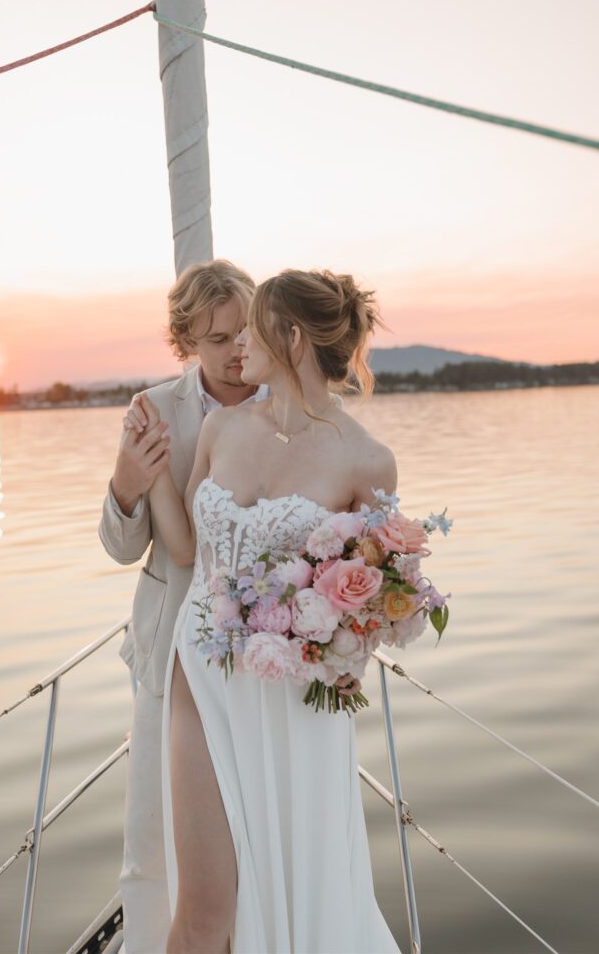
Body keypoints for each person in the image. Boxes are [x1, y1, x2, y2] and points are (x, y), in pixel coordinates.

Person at [149, 268, 402, 954]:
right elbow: (187, 552)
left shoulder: (366, 459)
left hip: (293, 693)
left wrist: (351, 646)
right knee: (202, 911)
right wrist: (141, 477)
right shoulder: (222, 428)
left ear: (289, 338)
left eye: (251, 327)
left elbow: (385, 590)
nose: (237, 348)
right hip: (200, 671)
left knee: (300, 896)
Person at [98, 259, 269, 954]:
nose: (235, 352)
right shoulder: (152, 410)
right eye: (217, 337)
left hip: (264, 654)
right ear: (186, 342)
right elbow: (120, 547)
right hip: (168, 650)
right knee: (153, 835)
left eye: (245, 334)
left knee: (254, 831)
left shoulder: (282, 404)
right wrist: (125, 485)